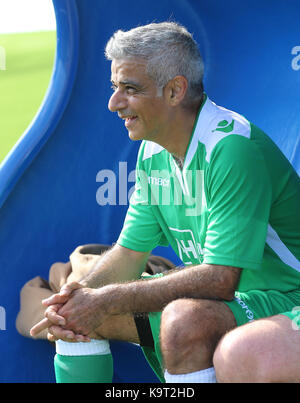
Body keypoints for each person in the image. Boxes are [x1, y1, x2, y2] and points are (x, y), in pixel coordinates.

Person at [30, 21, 300, 384]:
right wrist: (78, 299)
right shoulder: (152, 152)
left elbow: (220, 279)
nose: (114, 103)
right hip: (231, 299)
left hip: (287, 299)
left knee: (183, 321)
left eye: (130, 89)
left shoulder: (232, 149)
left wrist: (106, 299)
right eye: (114, 88)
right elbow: (128, 255)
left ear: (175, 90)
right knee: (80, 311)